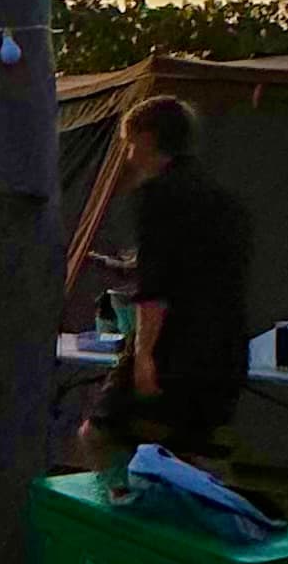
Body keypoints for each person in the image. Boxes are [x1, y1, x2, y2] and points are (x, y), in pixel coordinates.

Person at [90, 93, 251, 469]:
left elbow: (157, 287)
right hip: (224, 351)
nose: (129, 156)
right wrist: (121, 267)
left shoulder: (157, 195)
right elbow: (197, 269)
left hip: (175, 349)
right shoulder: (224, 200)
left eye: (131, 144)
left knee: (98, 435)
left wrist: (144, 355)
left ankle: (122, 503)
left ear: (147, 139)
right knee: (189, 452)